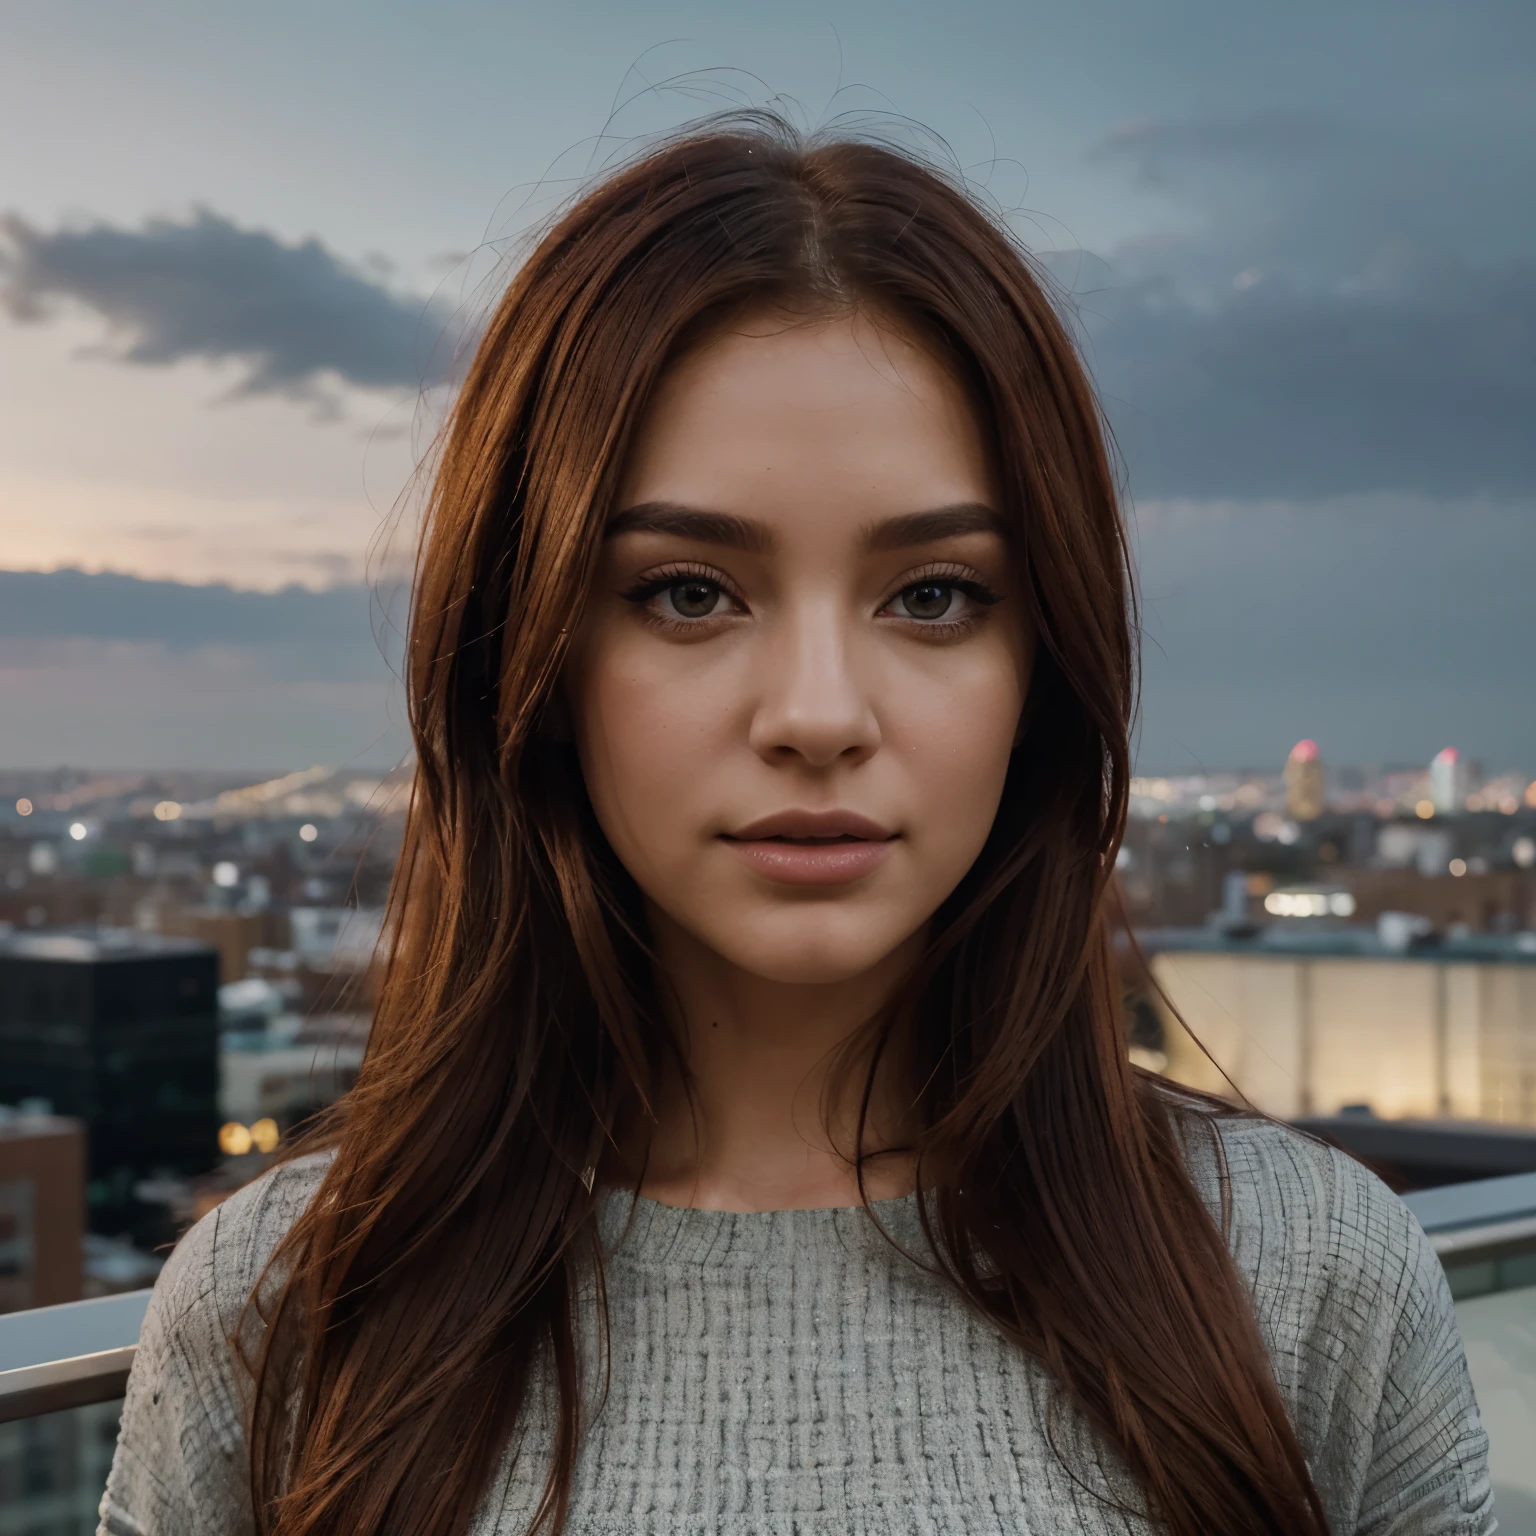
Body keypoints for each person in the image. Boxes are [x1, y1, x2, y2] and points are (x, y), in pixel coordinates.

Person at [100, 114, 1493, 1536]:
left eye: (934, 594)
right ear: (529, 658)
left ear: (1049, 669)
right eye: (689, 592)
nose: (819, 713)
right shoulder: (285, 1316)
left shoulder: (1308, 1277)